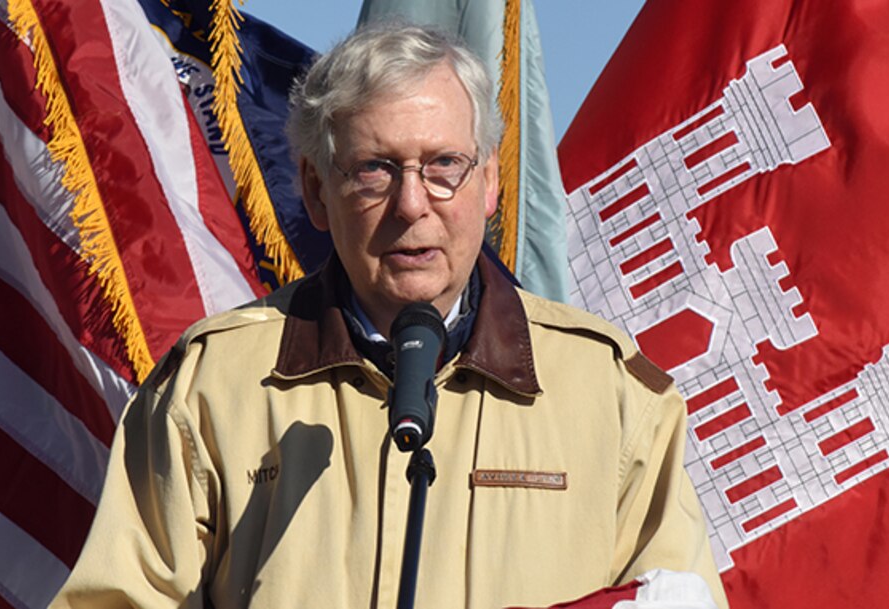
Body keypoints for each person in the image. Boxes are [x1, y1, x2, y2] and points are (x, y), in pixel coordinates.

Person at [49, 23, 727, 609]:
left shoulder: (611, 394)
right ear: (317, 191)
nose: (412, 204)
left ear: (490, 181)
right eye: (375, 169)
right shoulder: (211, 387)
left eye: (444, 166)